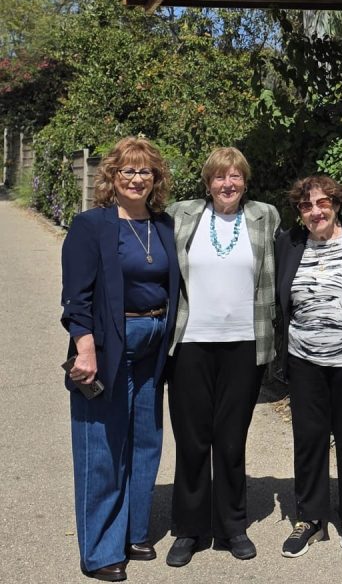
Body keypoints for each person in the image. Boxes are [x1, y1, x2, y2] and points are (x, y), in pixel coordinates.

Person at [61, 137, 180, 582]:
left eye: (144, 171)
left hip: (154, 344)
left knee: (145, 441)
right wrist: (84, 347)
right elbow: (76, 296)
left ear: (156, 179)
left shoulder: (163, 225)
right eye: (127, 171)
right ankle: (100, 551)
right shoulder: (91, 225)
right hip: (109, 343)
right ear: (111, 177)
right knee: (102, 448)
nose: (136, 178)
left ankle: (133, 530)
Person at [163, 148, 280, 567]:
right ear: (207, 183)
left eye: (235, 177)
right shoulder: (181, 214)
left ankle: (233, 525)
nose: (227, 184)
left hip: (245, 345)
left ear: (245, 181)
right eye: (219, 177)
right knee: (192, 439)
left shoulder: (265, 217)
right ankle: (190, 529)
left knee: (231, 439)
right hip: (191, 342)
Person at [275, 174, 342, 558]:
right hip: (304, 359)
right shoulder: (289, 243)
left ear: (336, 204)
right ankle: (311, 518)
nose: (315, 211)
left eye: (322, 203)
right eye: (306, 205)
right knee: (309, 440)